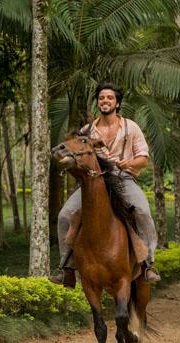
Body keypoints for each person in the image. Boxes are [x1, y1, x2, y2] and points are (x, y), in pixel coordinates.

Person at [50, 82, 161, 286]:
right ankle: (67, 268)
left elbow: (143, 159)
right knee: (64, 216)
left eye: (110, 98)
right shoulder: (87, 131)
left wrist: (129, 163)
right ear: (98, 102)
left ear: (117, 103)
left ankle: (147, 264)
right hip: (93, 180)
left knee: (143, 211)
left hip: (123, 178)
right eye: (102, 98)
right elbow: (77, 156)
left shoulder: (130, 127)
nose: (105, 101)